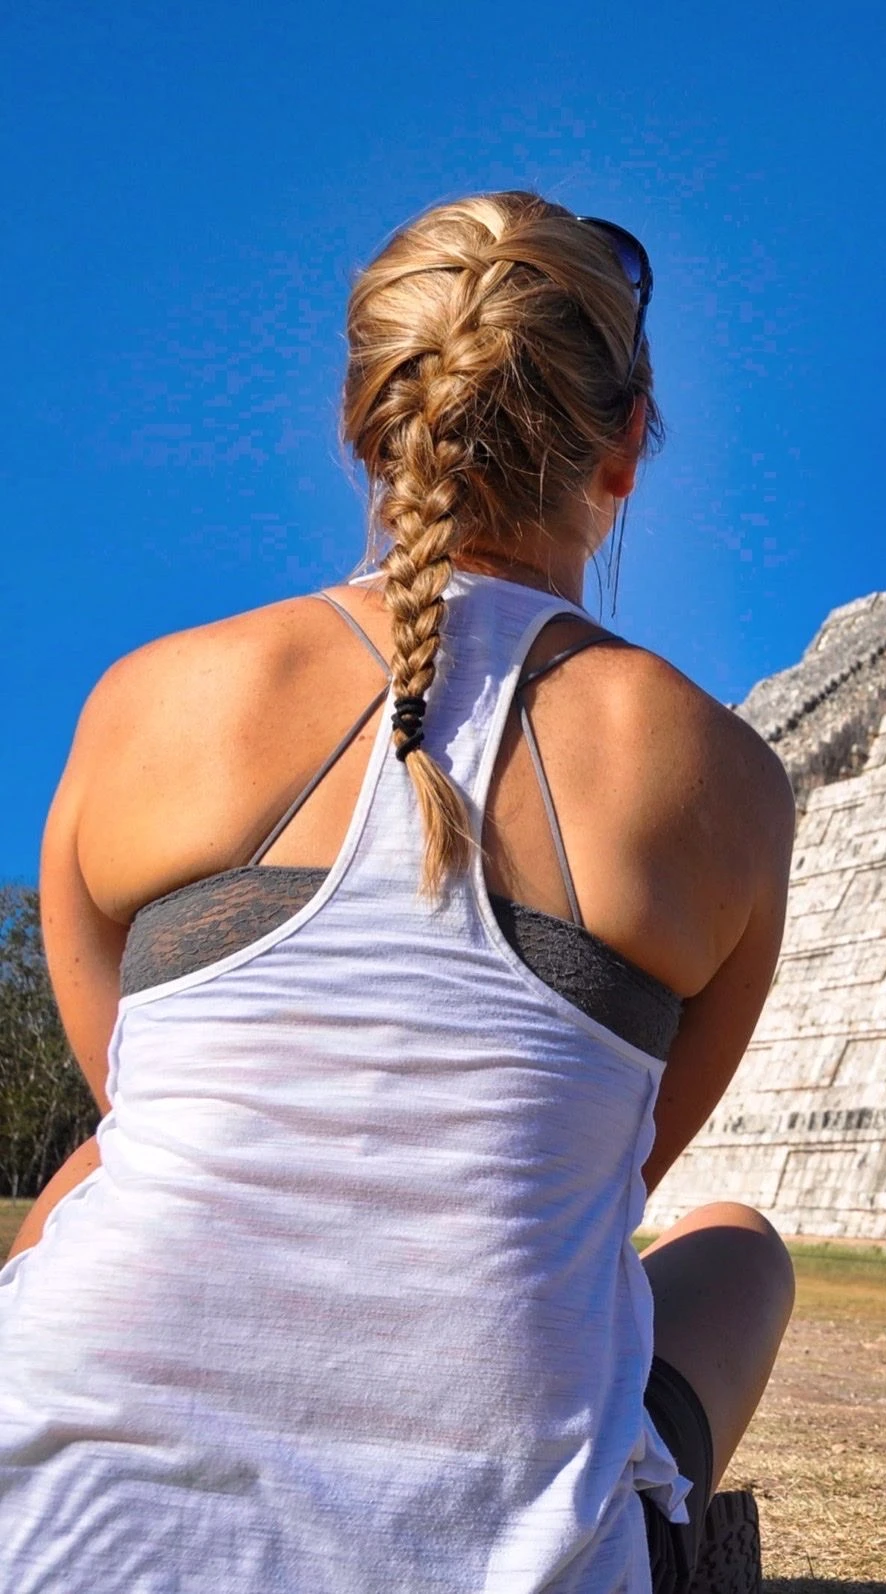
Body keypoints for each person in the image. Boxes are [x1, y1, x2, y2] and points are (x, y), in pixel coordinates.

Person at [0, 191, 798, 1593]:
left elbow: (129, 1100)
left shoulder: (152, 703)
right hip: (492, 1555)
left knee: (97, 1166)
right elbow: (609, 1183)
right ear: (626, 442)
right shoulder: (715, 776)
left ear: (365, 415)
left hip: (54, 1531)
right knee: (738, 1251)